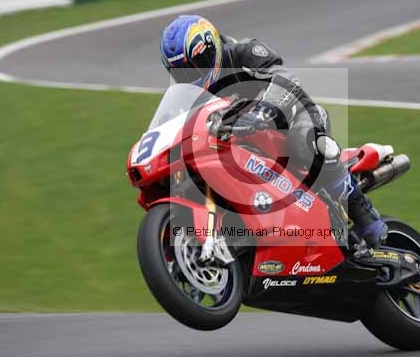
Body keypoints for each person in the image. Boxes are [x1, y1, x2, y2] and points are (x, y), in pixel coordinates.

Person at [159, 15, 387, 253]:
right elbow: (174, 125)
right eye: (181, 72)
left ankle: (363, 213)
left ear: (212, 49)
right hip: (238, 142)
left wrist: (265, 111)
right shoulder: (187, 96)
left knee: (304, 143)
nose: (191, 76)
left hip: (291, 118)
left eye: (195, 65)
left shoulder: (244, 52)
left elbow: (287, 78)